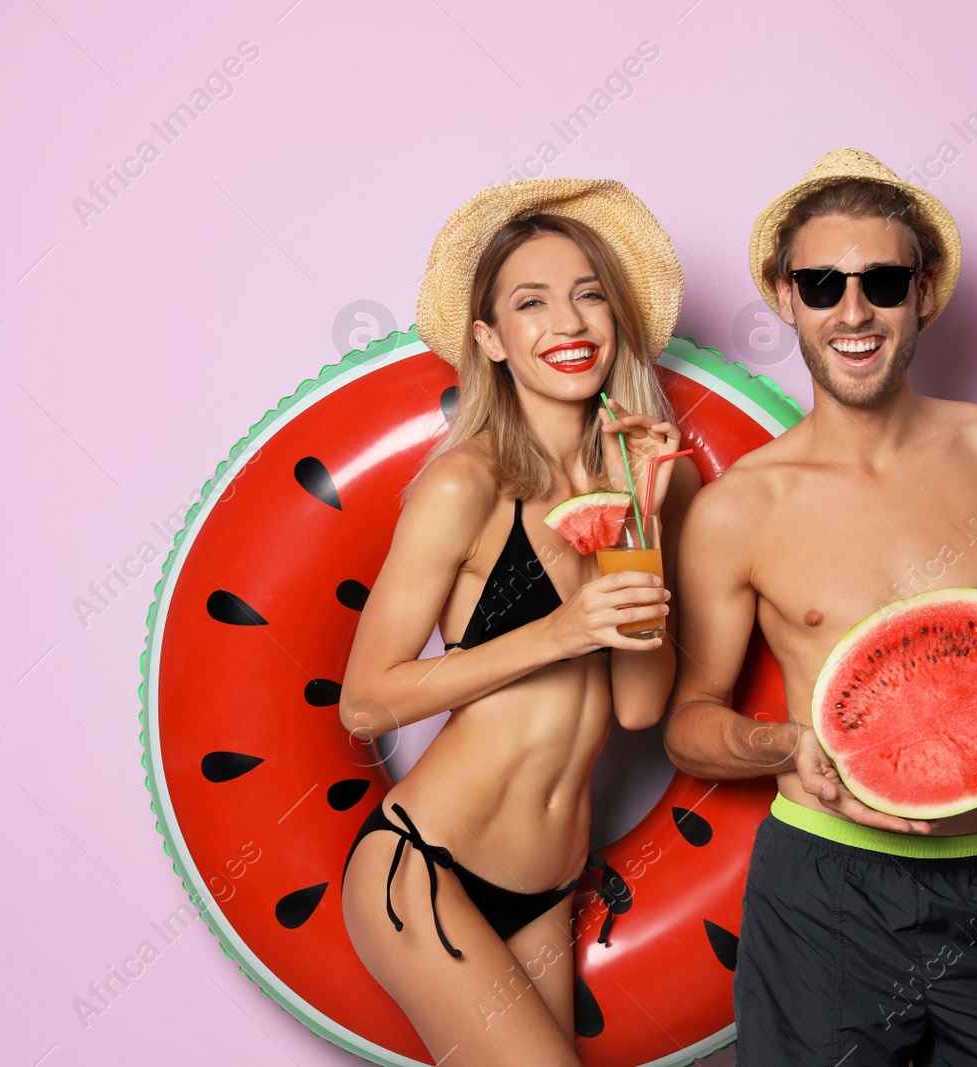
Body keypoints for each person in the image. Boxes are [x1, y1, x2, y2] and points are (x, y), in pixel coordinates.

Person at [663, 149, 977, 1066]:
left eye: (881, 281)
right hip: (823, 891)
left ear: (925, 292)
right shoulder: (740, 508)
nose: (853, 309)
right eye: (824, 282)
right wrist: (786, 744)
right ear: (784, 295)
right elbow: (688, 722)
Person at [338, 178, 702, 1067]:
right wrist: (563, 630)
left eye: (588, 295)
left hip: (545, 889)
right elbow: (365, 703)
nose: (568, 323)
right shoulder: (466, 485)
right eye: (530, 303)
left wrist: (640, 536)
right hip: (427, 865)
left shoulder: (655, 479)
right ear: (492, 341)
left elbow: (639, 710)